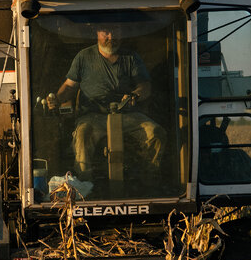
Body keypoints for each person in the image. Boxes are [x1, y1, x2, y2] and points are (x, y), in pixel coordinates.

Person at [46, 23, 167, 183]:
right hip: (93, 117)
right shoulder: (84, 57)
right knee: (82, 136)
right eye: (106, 32)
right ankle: (84, 186)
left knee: (156, 133)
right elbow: (69, 85)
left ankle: (147, 182)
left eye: (116, 30)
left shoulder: (130, 57)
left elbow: (145, 86)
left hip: (127, 115)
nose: (111, 37)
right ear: (96, 32)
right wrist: (56, 99)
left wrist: (135, 96)